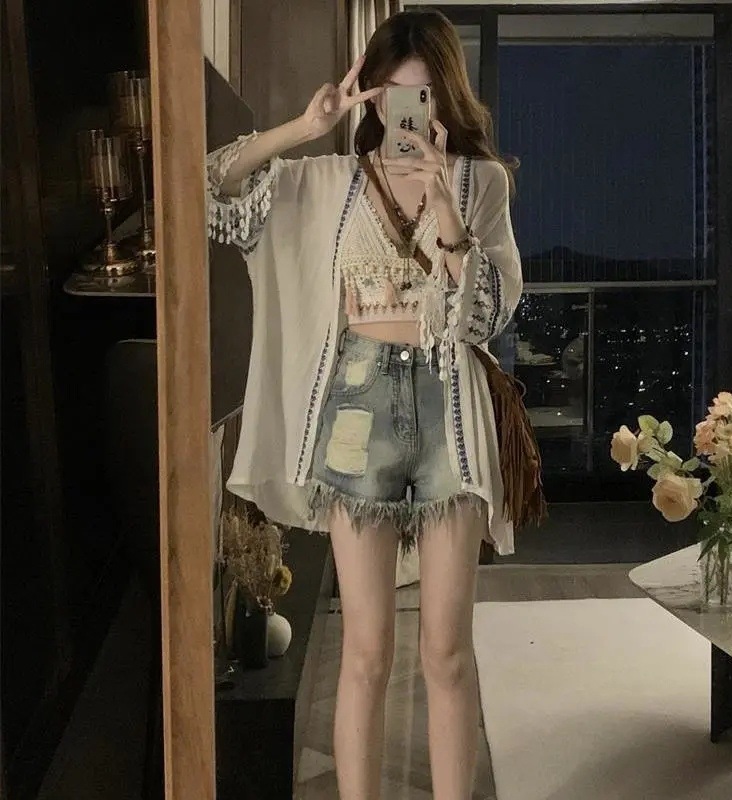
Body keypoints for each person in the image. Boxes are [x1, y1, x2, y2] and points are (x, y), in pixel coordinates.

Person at [206, 10, 522, 798]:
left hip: (449, 412)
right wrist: (304, 127)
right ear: (372, 96)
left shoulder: (481, 184)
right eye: (393, 95)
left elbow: (488, 316)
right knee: (367, 651)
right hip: (354, 411)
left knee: (446, 652)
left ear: (447, 97)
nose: (409, 113)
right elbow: (210, 191)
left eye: (426, 95)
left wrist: (448, 211)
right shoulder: (324, 182)